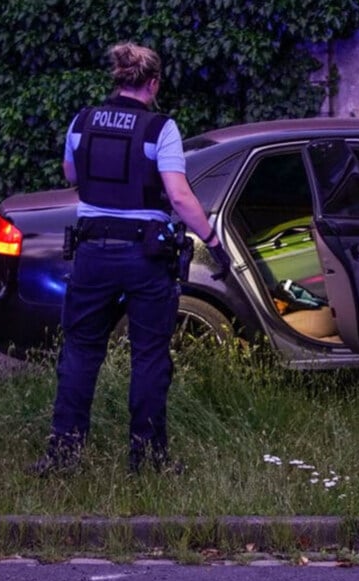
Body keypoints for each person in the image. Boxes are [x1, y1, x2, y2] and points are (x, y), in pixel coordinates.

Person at [29, 42, 231, 476]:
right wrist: (213, 242)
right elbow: (178, 195)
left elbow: (71, 174)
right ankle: (148, 460)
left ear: (117, 78)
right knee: (149, 357)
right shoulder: (162, 129)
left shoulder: (82, 121)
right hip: (145, 256)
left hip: (91, 253)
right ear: (153, 83)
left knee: (80, 352)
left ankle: (63, 456)